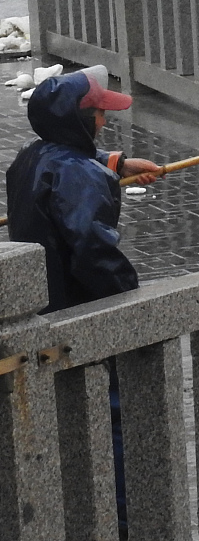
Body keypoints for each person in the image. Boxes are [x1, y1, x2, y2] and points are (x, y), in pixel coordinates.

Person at [5, 64, 162, 539]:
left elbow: (59, 172)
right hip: (79, 322)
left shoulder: (28, 158)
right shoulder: (79, 175)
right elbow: (92, 250)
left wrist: (114, 163)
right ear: (78, 120)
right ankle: (118, 525)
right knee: (108, 433)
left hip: (38, 316)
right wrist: (131, 302)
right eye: (97, 114)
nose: (104, 121)